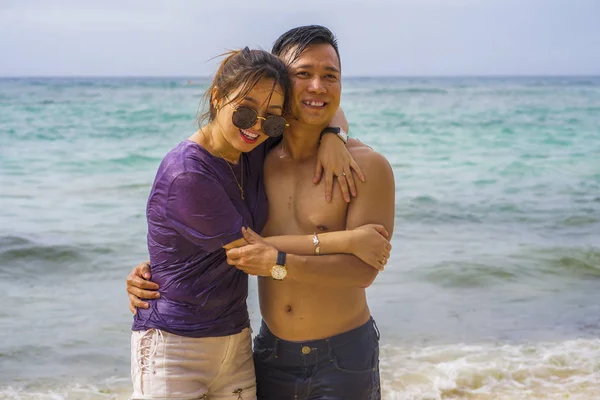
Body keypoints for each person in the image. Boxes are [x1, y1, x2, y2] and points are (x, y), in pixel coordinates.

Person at [129, 46, 391, 400]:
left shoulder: (267, 151)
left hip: (319, 353)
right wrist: (343, 240)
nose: (255, 125)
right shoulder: (227, 160)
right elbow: (246, 249)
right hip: (241, 350)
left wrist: (334, 137)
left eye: (269, 118)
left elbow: (362, 273)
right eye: (245, 112)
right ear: (220, 96)